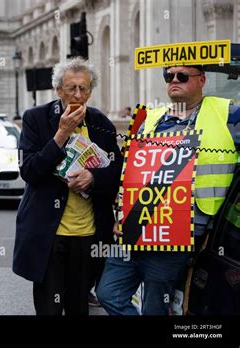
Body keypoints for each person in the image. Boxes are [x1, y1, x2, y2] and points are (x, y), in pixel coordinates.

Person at [97, 65, 239, 315]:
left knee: (155, 307)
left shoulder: (227, 113)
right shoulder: (150, 117)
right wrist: (121, 216)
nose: (174, 80)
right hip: (135, 226)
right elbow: (130, 174)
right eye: (169, 76)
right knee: (108, 293)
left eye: (182, 76)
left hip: (178, 233)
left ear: (202, 80)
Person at [13, 57, 123, 315]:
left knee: (79, 307)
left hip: (88, 236)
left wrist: (94, 179)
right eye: (71, 87)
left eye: (83, 88)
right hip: (48, 237)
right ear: (58, 89)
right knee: (50, 309)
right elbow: (29, 170)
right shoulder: (35, 119)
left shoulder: (101, 123)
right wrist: (61, 134)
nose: (77, 94)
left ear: (90, 91)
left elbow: (118, 170)